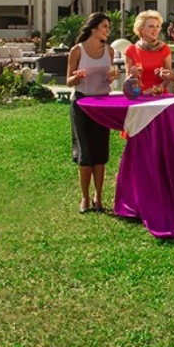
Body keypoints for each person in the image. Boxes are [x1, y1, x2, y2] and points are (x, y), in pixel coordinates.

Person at [66, 12, 116, 214]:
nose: (107, 30)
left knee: (100, 153)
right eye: (105, 26)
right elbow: (68, 81)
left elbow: (109, 78)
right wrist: (77, 77)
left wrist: (113, 77)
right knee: (85, 153)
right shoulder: (77, 51)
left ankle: (99, 196)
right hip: (82, 103)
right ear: (94, 28)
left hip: (103, 103)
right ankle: (85, 198)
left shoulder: (110, 51)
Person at [124, 10, 172, 95]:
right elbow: (127, 80)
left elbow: (169, 77)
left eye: (157, 26)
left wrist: (157, 89)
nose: (156, 29)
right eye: (151, 26)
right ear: (141, 29)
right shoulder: (131, 50)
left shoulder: (165, 49)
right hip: (139, 96)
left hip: (160, 95)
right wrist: (133, 76)